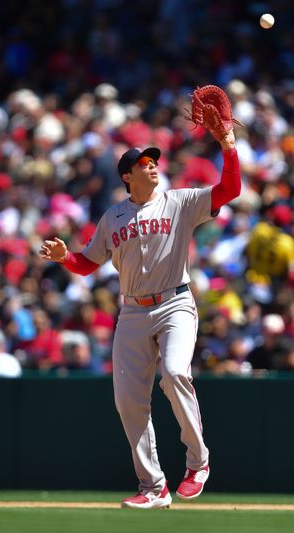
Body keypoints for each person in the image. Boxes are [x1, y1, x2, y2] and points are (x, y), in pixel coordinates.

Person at [39, 122, 241, 509]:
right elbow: (87, 264)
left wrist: (228, 147)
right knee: (129, 401)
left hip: (175, 303)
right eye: (143, 163)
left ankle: (198, 463)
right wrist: (65, 257)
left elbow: (230, 190)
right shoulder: (112, 217)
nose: (152, 166)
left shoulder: (179, 201)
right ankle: (154, 487)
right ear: (127, 176)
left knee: (176, 372)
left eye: (154, 162)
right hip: (131, 311)